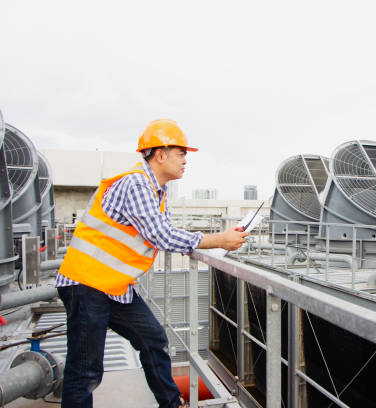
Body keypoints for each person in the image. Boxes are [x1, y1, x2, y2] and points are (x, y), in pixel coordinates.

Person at [55, 119, 248, 408]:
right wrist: (220, 239)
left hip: (114, 288)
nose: (186, 161)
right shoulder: (136, 184)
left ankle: (172, 404)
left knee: (153, 340)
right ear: (160, 154)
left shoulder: (157, 191)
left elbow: (161, 232)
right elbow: (163, 236)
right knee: (85, 371)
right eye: (182, 154)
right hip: (86, 284)